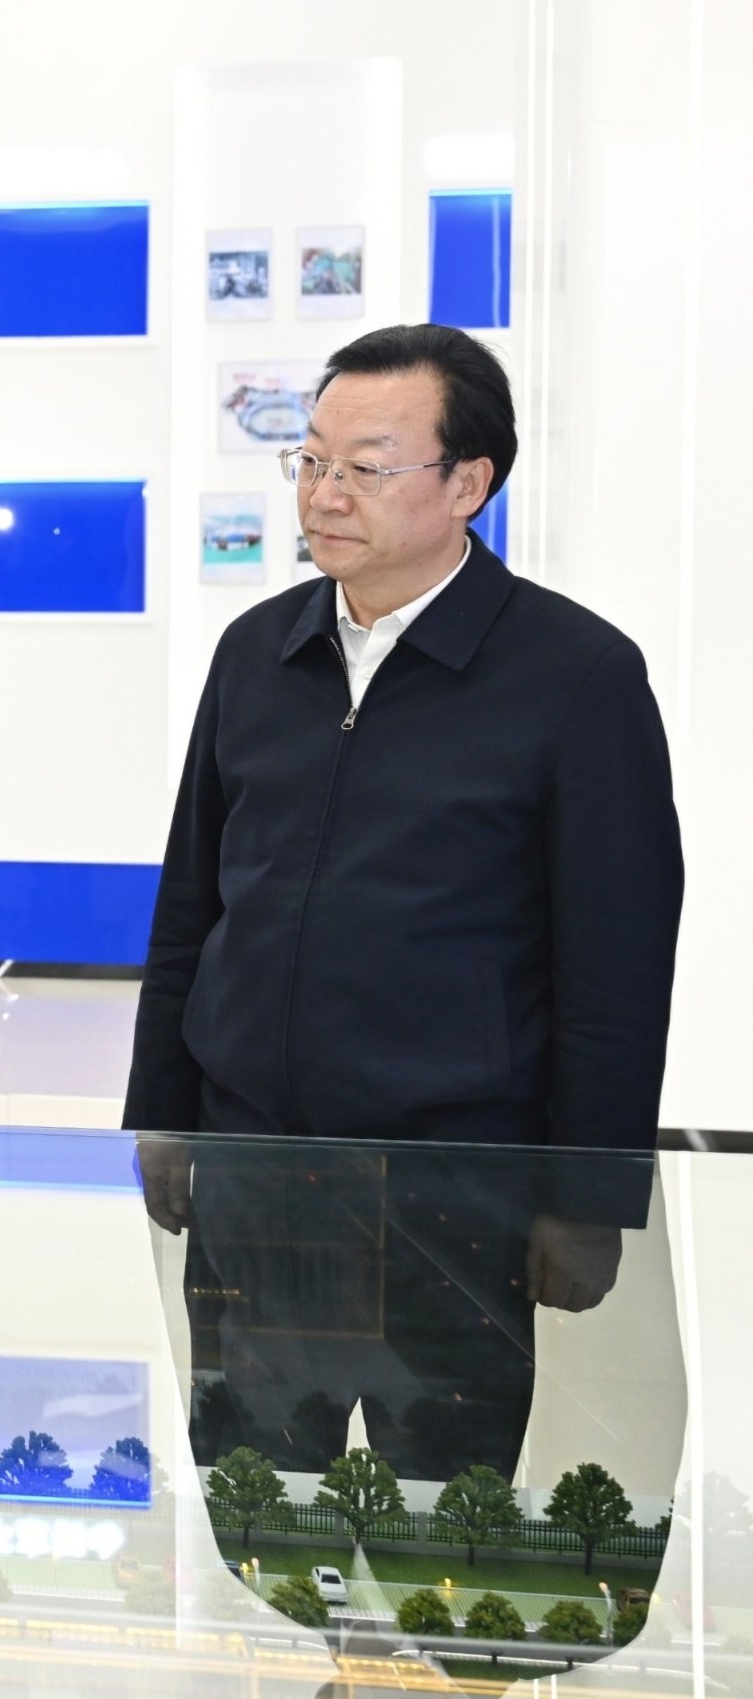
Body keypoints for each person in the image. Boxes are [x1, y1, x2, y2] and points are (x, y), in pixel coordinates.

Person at [129, 324, 684, 1490]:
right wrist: (165, 1109)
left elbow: (617, 963)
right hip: (256, 1168)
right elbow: (192, 900)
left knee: (445, 1519)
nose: (325, 495)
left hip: (453, 1187)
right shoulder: (256, 653)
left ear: (468, 483)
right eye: (311, 460)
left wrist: (589, 1197)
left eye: (366, 468)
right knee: (256, 1507)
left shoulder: (577, 676)